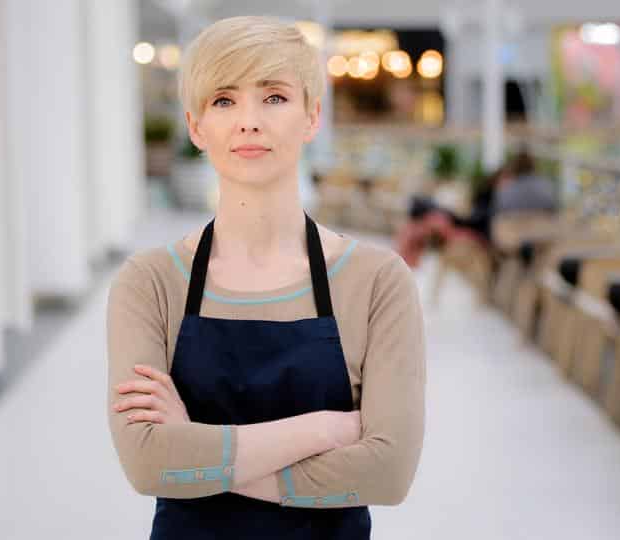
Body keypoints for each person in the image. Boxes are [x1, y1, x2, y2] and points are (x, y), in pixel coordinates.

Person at [106, 16, 426, 540]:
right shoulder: (150, 284)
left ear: (312, 116)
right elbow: (147, 464)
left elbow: (388, 475)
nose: (249, 121)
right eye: (224, 100)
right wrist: (320, 429)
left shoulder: (377, 282)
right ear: (195, 125)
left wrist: (195, 448)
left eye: (274, 97)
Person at [395, 147, 557, 268]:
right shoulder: (546, 188)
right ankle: (420, 209)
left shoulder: (510, 188)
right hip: (530, 238)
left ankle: (418, 208)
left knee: (442, 215)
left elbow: (495, 211)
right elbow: (554, 211)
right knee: (441, 215)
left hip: (496, 234)